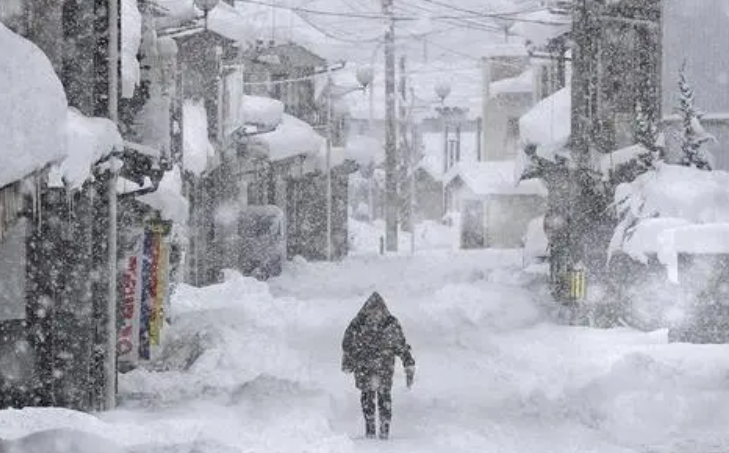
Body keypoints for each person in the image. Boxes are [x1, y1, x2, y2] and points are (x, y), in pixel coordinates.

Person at [341, 291, 416, 440]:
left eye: (378, 310)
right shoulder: (365, 323)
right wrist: (349, 360)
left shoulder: (383, 324)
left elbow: (400, 345)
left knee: (382, 398)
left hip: (378, 369)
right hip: (371, 368)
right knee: (369, 398)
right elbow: (347, 344)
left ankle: (383, 431)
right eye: (373, 310)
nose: (375, 314)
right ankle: (371, 430)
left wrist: (408, 362)